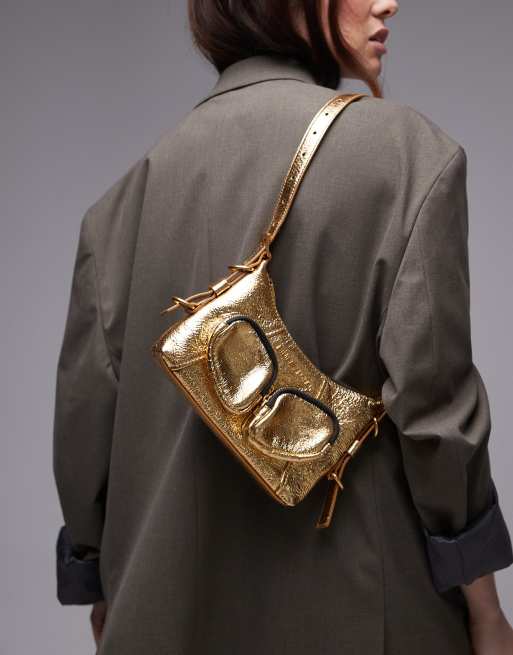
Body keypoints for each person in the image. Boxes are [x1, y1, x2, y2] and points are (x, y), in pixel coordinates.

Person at [52, 1, 513, 653]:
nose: (388, 2)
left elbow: (83, 439)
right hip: (367, 616)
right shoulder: (408, 155)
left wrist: (101, 589)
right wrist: (484, 606)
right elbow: (436, 415)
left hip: (165, 619)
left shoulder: (119, 206)